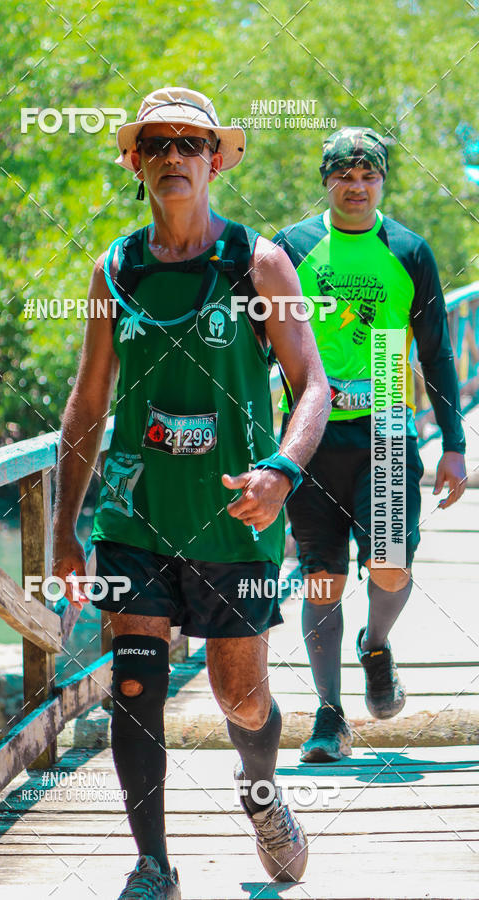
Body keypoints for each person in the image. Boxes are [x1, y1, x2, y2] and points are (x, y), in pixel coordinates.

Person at [52, 86, 331, 898]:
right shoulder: (116, 269)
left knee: (239, 696)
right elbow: (88, 403)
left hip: (235, 519)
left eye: (190, 143)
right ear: (136, 162)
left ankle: (262, 791)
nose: (174, 156)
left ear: (215, 161)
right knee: (135, 686)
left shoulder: (256, 262)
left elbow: (313, 385)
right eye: (158, 144)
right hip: (133, 516)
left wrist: (282, 470)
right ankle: (153, 867)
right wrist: (64, 530)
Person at [273, 126, 467, 763]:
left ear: (382, 181)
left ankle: (375, 645)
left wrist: (455, 443)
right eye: (343, 176)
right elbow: (259, 345)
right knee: (320, 579)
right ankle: (329, 716)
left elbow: (437, 352)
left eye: (368, 176)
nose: (356, 187)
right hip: (310, 434)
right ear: (326, 180)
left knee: (389, 565)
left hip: (385, 428)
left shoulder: (408, 251)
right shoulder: (292, 247)